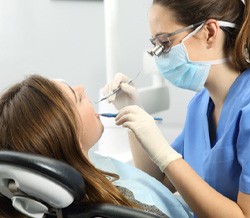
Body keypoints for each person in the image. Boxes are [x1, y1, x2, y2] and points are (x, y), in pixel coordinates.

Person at [102, 0, 250, 218]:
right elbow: (159, 179)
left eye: (166, 43)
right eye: (156, 45)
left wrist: (165, 153)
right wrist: (133, 115)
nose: (159, 55)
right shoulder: (200, 106)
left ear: (210, 32)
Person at [0, 74, 192, 218]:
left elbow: (148, 183)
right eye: (78, 98)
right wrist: (165, 155)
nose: (82, 88)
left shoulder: (88, 167)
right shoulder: (120, 209)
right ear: (69, 136)